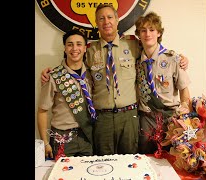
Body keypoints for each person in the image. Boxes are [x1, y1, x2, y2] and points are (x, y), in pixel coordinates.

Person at [40, 4, 189, 155]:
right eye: (101, 19)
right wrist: (50, 72)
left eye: (110, 17)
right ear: (96, 23)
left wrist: (181, 59)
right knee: (103, 164)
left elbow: (155, 52)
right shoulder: (90, 50)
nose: (106, 22)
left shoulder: (133, 45)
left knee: (131, 162)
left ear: (117, 20)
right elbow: (73, 64)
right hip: (102, 119)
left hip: (129, 117)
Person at [134, 12, 191, 155]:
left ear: (159, 33)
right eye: (143, 30)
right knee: (146, 156)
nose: (148, 34)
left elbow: (184, 89)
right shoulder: (135, 61)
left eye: (152, 30)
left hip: (169, 117)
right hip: (146, 118)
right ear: (138, 35)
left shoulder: (173, 59)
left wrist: (184, 111)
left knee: (171, 157)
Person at [37, 29, 95, 159]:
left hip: (87, 136)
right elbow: (42, 111)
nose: (74, 48)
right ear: (64, 48)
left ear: (85, 48)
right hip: (62, 138)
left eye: (79, 44)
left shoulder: (92, 74)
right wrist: (45, 143)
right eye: (70, 44)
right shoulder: (53, 76)